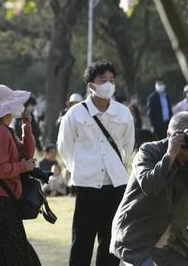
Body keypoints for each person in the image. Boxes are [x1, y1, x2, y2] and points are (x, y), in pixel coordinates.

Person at [57, 60, 135, 266]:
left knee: (111, 241)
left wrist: (118, 166)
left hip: (116, 184)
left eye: (111, 80)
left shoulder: (123, 113)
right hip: (87, 185)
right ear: (91, 85)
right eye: (103, 80)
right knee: (82, 240)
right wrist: (80, 170)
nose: (108, 84)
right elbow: (65, 147)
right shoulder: (75, 114)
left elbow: (128, 145)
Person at [110, 112, 188, 265]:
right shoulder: (148, 151)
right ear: (169, 135)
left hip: (171, 242)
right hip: (138, 238)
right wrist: (170, 155)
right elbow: (150, 186)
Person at [0, 84, 41, 266]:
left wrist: (26, 126)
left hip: (3, 203)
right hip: (1, 205)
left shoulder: (5, 131)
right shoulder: (0, 132)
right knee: (15, 258)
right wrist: (23, 167)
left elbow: (27, 153)